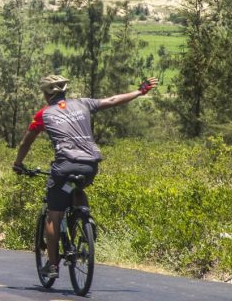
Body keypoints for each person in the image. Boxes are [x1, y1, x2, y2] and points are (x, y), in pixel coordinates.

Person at [12, 74, 158, 280]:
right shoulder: (83, 104)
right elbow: (113, 100)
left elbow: (26, 142)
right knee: (76, 187)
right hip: (90, 166)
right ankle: (84, 216)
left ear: (46, 94)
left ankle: (53, 265)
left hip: (64, 166)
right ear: (65, 91)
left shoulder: (43, 114)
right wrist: (140, 91)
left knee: (54, 215)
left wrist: (18, 164)